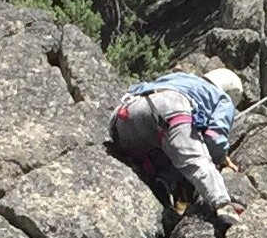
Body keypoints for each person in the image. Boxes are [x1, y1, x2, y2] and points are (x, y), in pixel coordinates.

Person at [105, 65, 247, 226]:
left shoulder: (180, 77)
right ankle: (222, 204)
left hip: (124, 115)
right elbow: (214, 139)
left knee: (168, 149)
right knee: (196, 158)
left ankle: (160, 181)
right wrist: (221, 158)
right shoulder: (222, 98)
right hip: (171, 108)